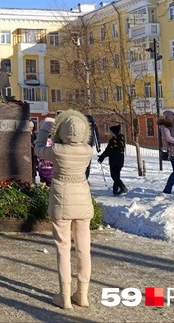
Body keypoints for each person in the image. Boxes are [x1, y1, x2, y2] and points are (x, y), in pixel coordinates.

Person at [34, 111, 93, 310]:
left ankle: (64, 296)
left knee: (63, 248)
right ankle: (82, 294)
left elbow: (38, 149)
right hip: (83, 202)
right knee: (84, 249)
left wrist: (46, 126)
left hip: (62, 201)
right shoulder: (87, 150)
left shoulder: (57, 150)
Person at [98, 124, 128, 195]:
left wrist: (104, 156)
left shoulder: (117, 139)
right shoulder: (117, 139)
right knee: (116, 175)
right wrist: (102, 156)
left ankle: (123, 187)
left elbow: (111, 150)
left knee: (114, 176)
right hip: (116, 160)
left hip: (116, 160)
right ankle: (115, 190)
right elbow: (109, 149)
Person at [84, 114, 101, 180]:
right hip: (82, 147)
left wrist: (98, 147)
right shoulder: (83, 126)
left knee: (88, 163)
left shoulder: (94, 127)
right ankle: (83, 177)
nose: (89, 124)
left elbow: (97, 137)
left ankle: (86, 177)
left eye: (90, 122)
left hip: (89, 147)